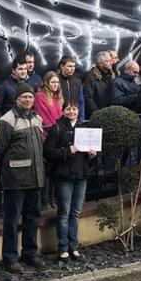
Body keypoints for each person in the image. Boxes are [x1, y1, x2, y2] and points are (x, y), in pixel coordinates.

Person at [0, 82, 46, 273]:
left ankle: (30, 253)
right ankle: (10, 258)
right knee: (12, 219)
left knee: (33, 217)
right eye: (24, 97)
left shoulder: (36, 118)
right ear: (16, 99)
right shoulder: (7, 120)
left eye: (30, 97)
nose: (28, 100)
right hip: (15, 180)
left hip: (35, 178)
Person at [44, 101, 95, 263]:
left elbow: (90, 158)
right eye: (68, 109)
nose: (71, 111)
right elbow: (48, 152)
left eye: (74, 109)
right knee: (64, 212)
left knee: (76, 212)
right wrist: (67, 150)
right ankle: (63, 247)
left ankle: (74, 246)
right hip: (63, 175)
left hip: (81, 174)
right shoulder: (56, 127)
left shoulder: (85, 128)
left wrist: (92, 155)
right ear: (63, 110)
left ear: (78, 110)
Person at [83, 51, 115, 119]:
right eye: (108, 61)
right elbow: (88, 98)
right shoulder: (91, 77)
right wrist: (98, 114)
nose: (111, 63)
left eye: (111, 60)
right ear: (100, 64)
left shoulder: (112, 75)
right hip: (97, 116)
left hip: (110, 114)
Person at [34, 71, 64, 138]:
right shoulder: (39, 97)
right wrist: (57, 131)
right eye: (53, 82)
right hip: (48, 135)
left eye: (57, 82)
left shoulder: (57, 97)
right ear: (47, 83)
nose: (56, 84)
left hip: (60, 133)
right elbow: (45, 119)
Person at [57, 55, 85, 121]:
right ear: (62, 66)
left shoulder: (77, 81)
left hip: (75, 117)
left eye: (74, 66)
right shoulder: (56, 81)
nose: (72, 69)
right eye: (69, 66)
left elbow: (81, 102)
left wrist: (81, 119)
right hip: (60, 118)